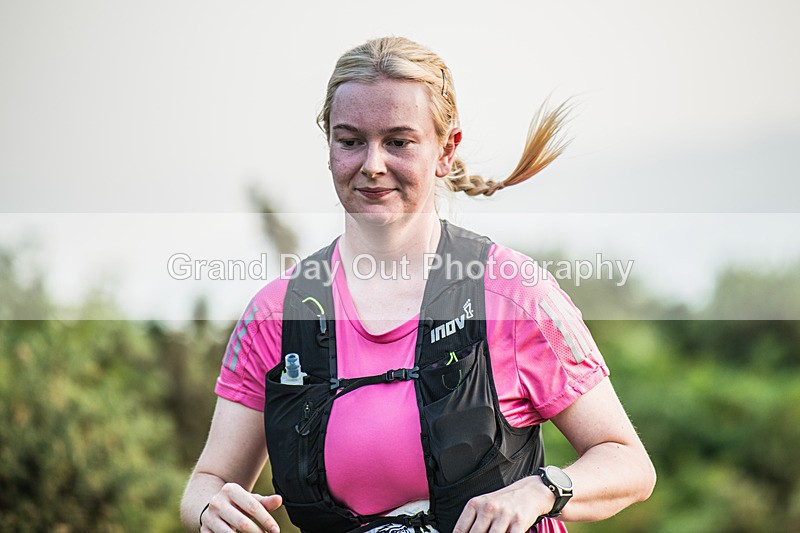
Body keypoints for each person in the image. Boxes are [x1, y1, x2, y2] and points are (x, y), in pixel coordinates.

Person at [180, 36, 656, 533]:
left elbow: (628, 464)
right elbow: (208, 482)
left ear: (446, 151)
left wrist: (541, 490)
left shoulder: (512, 293)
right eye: (350, 140)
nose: (372, 165)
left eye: (399, 142)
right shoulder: (277, 313)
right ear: (329, 149)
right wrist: (214, 509)